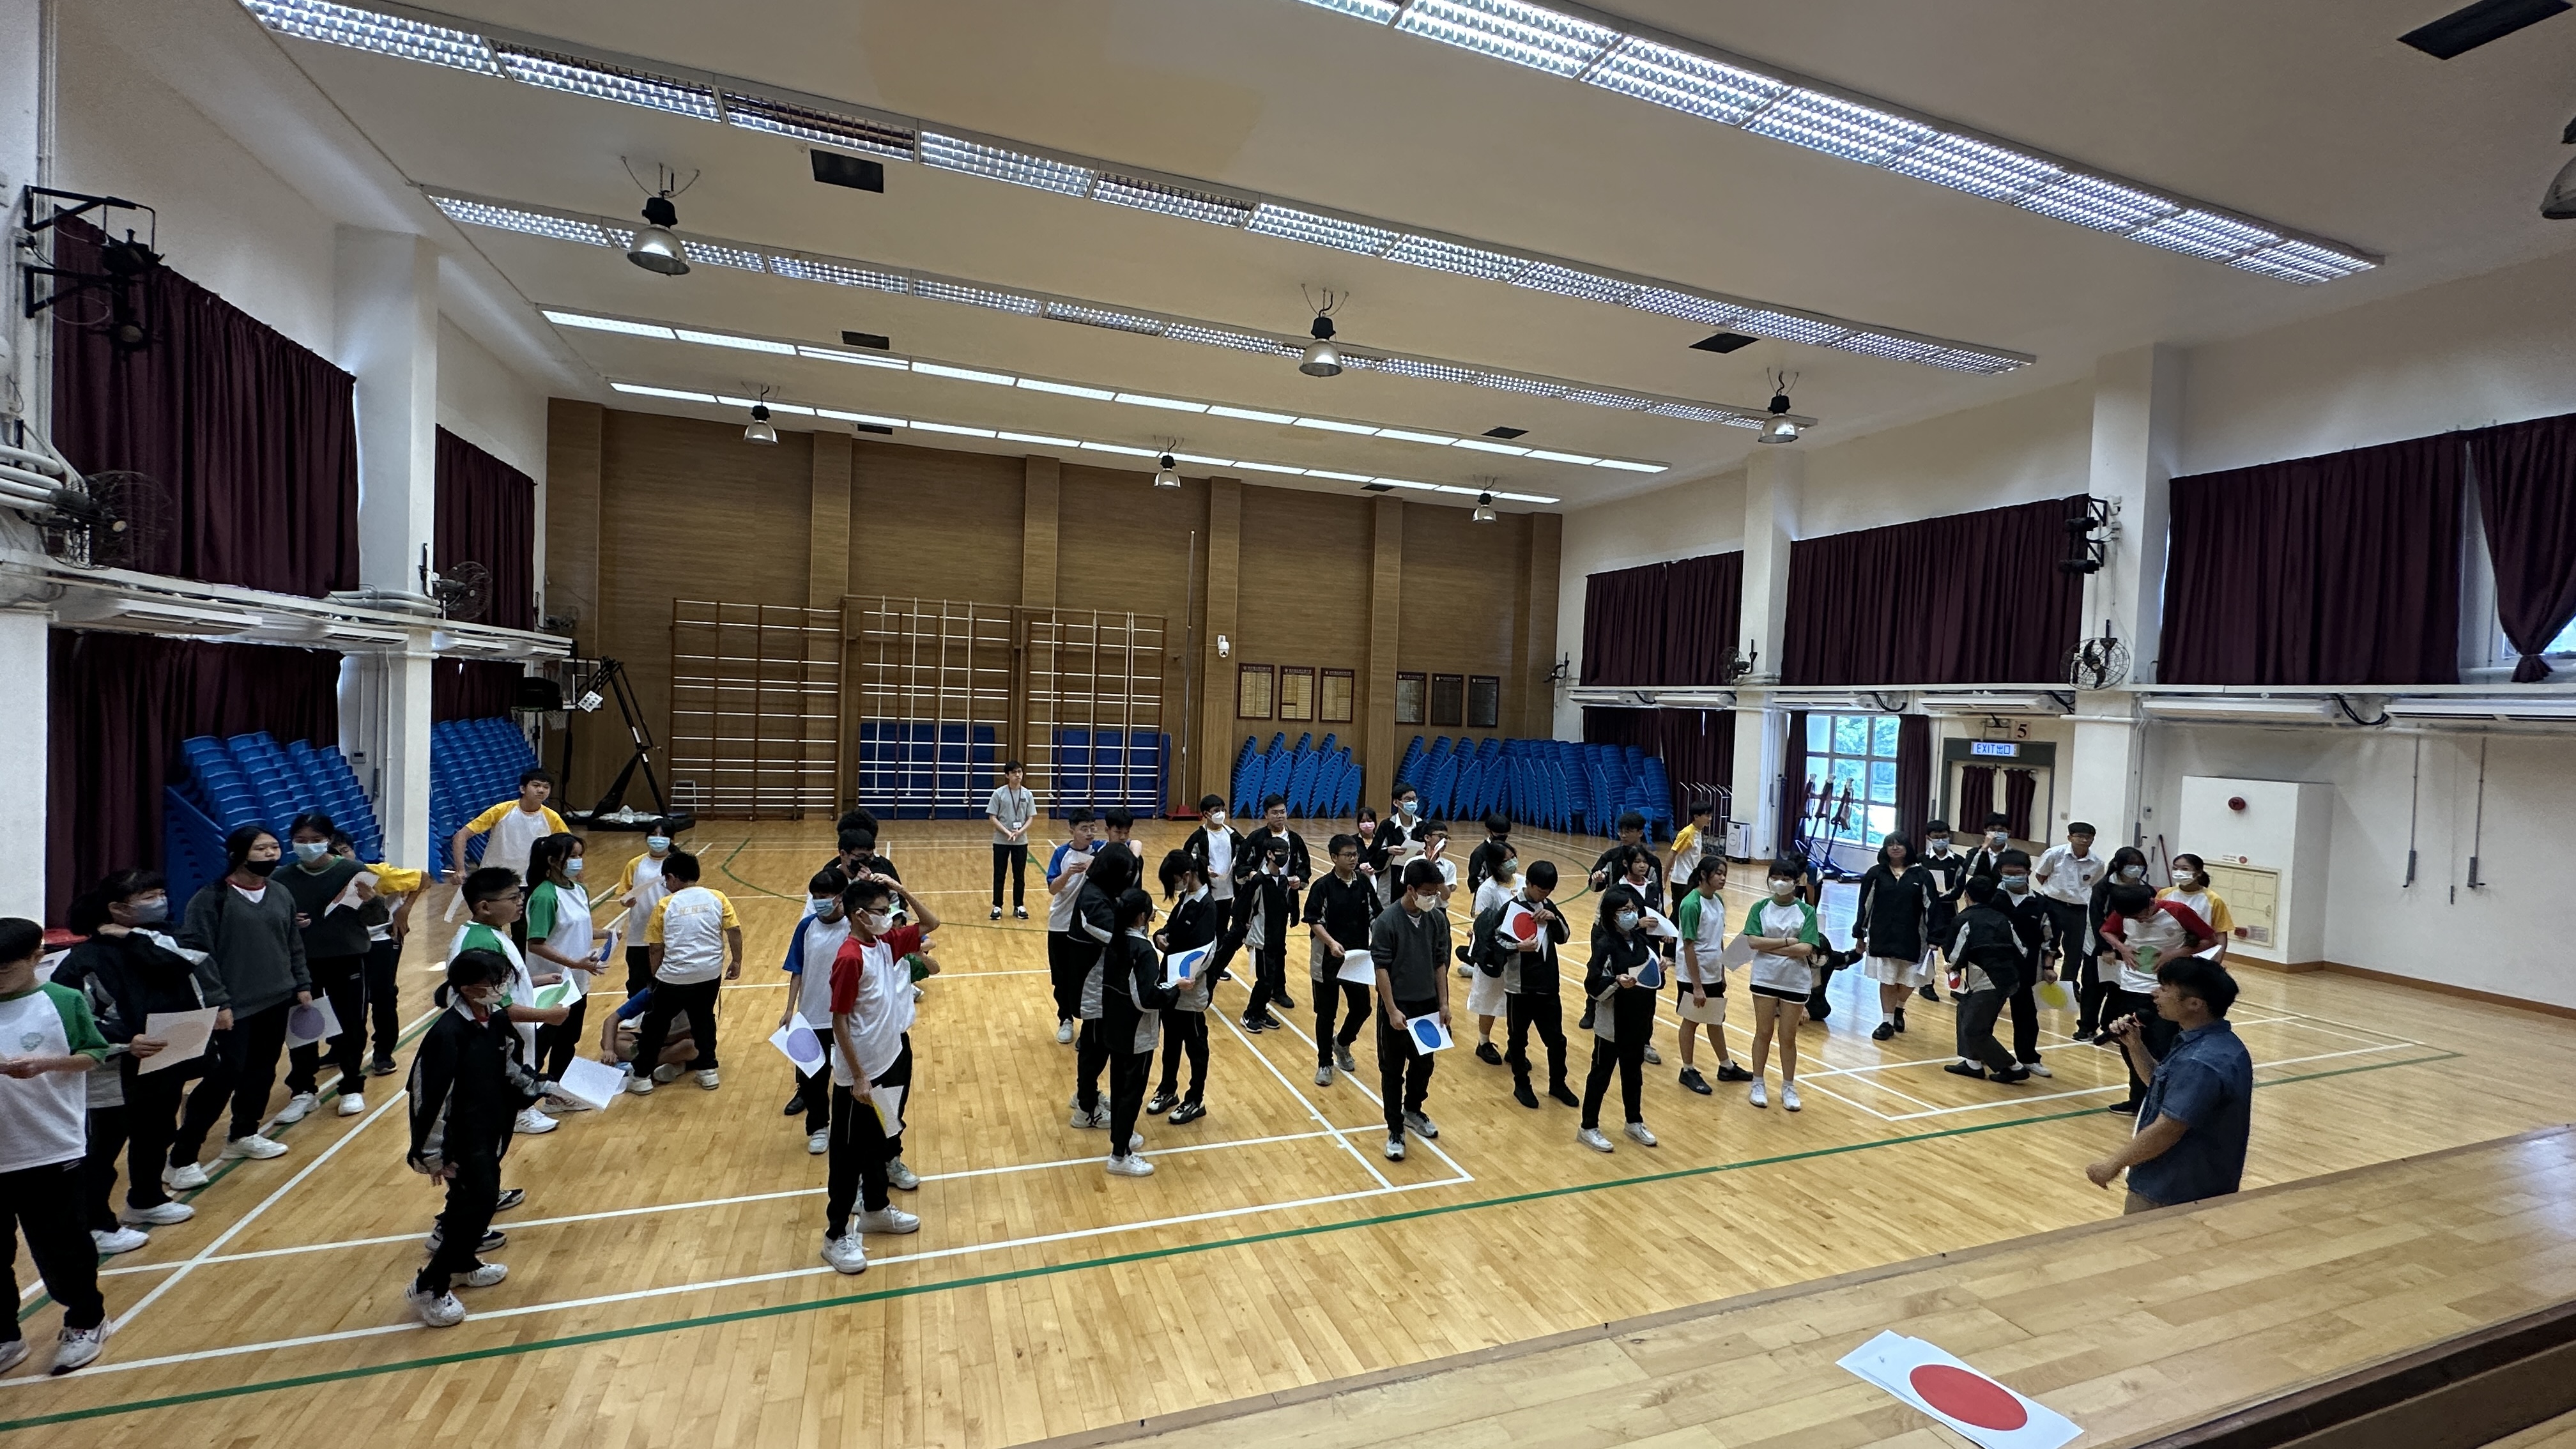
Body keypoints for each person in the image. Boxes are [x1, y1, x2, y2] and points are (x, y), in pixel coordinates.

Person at [55, 871, 223, 1246]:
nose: (160, 901)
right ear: (117, 908)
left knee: (156, 1132)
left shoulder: (161, 939)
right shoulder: (84, 960)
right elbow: (78, 1021)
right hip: (115, 1068)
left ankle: (146, 1199)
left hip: (165, 1057)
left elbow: (191, 959)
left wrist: (132, 937)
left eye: (161, 893)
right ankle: (95, 1224)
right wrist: (124, 1042)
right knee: (104, 1146)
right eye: (148, 896)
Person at [0, 917, 116, 1373]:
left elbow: (94, 1054)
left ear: (36, 958)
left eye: (5, 969)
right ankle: (5, 1336)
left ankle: (86, 1320)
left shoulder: (62, 1001)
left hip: (49, 1147)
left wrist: (46, 1064)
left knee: (62, 1249)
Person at [403, 947, 542, 1327]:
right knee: (475, 1209)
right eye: (494, 981)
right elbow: (428, 1099)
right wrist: (431, 1155)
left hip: (489, 1129)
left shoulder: (495, 1021)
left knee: (473, 1204)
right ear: (467, 988)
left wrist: (546, 1088)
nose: (502, 987)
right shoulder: (447, 1034)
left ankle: (464, 1264)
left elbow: (511, 1068)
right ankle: (429, 1287)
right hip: (459, 1141)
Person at [817, 874, 937, 1273]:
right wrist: (858, 1076)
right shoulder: (850, 958)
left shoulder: (885, 943)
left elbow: (931, 923)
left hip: (891, 1059)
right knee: (847, 1158)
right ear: (859, 916)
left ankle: (876, 1209)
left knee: (880, 1142)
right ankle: (835, 1235)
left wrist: (901, 891)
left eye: (889, 910)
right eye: (882, 911)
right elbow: (839, 1021)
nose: (889, 917)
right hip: (861, 1075)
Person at [176, 825, 312, 1170]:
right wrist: (219, 1002)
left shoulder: (280, 893)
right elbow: (200, 956)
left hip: (276, 999)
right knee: (224, 1076)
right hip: (233, 1007)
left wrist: (302, 983)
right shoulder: (210, 899)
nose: (270, 854)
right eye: (261, 849)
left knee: (262, 1071)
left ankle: (243, 1135)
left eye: (274, 848)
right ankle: (182, 1157)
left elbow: (292, 942)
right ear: (238, 855)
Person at [2084, 956, 2253, 1212]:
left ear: (2195, 1004)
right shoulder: (2216, 1044)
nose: (2155, 994)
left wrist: (2113, 1164)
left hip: (2171, 1189)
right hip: (2196, 1184)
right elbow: (2160, 1085)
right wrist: (2135, 1045)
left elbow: (2168, 1129)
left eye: (2164, 989)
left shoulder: (2200, 1061)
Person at [445, 866, 571, 1136]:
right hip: (499, 1034)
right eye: (513, 898)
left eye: (520, 896)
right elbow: (496, 1006)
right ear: (485, 907)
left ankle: (519, 1109)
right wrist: (547, 1016)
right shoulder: (480, 944)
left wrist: (535, 981)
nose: (520, 902)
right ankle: (516, 1114)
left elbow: (503, 984)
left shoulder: (492, 933)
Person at [273, 813, 371, 1121]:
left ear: (329, 840)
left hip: (346, 957)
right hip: (301, 961)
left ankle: (351, 1085)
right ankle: (303, 1090)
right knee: (302, 1024)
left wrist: (371, 901)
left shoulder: (354, 871)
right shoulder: (281, 877)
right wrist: (289, 921)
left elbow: (374, 918)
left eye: (316, 840)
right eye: (301, 840)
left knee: (351, 1023)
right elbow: (274, 920)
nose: (308, 846)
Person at [2097, 884, 2222, 1114]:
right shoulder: (2125, 912)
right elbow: (2106, 930)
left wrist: (2175, 954)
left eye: (2142, 915)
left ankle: (2165, 1101)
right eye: (2134, 918)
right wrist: (2122, 948)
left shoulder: (2178, 911)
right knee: (2131, 1044)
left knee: (2163, 1045)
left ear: (2151, 902)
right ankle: (2138, 1099)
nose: (2140, 920)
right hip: (2131, 987)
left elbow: (2210, 939)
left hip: (2166, 990)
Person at [625, 850, 742, 1096]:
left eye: (665, 880)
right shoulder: (718, 897)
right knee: (703, 1021)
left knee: (655, 1026)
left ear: (671, 877)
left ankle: (642, 1076)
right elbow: (734, 930)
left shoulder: (665, 905)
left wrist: (655, 977)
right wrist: (737, 961)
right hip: (709, 975)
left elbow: (656, 948)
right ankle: (708, 1071)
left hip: (673, 978)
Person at [1368, 859, 1452, 1162]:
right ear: (1411, 890)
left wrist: (1444, 1003)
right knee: (1392, 1071)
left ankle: (1413, 1110)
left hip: (1427, 1005)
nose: (1433, 898)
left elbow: (1440, 962)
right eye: (1428, 893)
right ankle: (1395, 1129)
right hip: (1398, 1005)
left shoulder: (1437, 920)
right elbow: (1381, 969)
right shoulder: (1387, 922)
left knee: (1424, 1065)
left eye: (1435, 893)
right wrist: (1391, 1010)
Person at [1576, 885, 1661, 1154]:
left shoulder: (1642, 942)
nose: (1631, 914)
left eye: (1633, 909)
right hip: (1611, 1024)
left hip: (1637, 1020)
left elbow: (1652, 979)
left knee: (1633, 1074)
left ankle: (1634, 1122)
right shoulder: (1605, 945)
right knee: (1601, 1075)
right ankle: (1588, 1127)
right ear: (1611, 915)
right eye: (1625, 910)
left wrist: (1657, 970)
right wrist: (1616, 981)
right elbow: (1593, 985)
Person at [1096, 888, 1174, 1179]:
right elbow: (1147, 998)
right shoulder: (1143, 950)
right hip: (1136, 1033)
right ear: (1142, 916)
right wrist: (1175, 988)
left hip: (1114, 1026)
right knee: (1131, 1093)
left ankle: (1122, 1135)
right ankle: (1120, 1156)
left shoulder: (1115, 940)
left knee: (1119, 1087)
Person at [332, 834, 422, 1080]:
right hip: (346, 945)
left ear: (354, 851)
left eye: (345, 850)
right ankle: (337, 1048)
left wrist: (404, 911)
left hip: (382, 940)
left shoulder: (377, 874)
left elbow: (423, 878)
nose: (342, 856)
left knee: (383, 996)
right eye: (335, 852)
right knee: (342, 999)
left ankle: (383, 1052)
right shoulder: (327, 879)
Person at [523, 834, 604, 1088]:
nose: (578, 861)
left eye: (580, 855)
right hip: (552, 984)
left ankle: (558, 1091)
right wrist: (574, 963)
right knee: (541, 1044)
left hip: (578, 982)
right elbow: (536, 943)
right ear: (552, 861)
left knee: (568, 1040)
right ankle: (523, 1097)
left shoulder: (580, 890)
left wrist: (608, 934)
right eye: (572, 856)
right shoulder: (545, 896)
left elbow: (576, 929)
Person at [1740, 861, 1823, 1111]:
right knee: (1763, 1032)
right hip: (1764, 978)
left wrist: (1771, 946)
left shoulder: (1806, 912)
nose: (1779, 882)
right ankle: (1758, 1083)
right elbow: (1753, 942)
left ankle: (1789, 1086)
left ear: (1796, 882)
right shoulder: (1760, 908)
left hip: (1794, 980)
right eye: (1775, 877)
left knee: (1788, 1036)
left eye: (1785, 878)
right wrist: (1788, 942)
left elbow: (1805, 948)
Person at [780, 870, 852, 1153]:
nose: (819, 902)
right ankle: (819, 1127)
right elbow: (797, 969)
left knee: (851, 1075)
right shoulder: (806, 927)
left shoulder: (853, 927)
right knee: (812, 1078)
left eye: (824, 897)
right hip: (811, 1015)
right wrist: (790, 1009)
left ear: (840, 896)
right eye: (815, 897)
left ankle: (850, 1126)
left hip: (848, 1017)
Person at [1069, 847, 1140, 1126]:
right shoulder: (1093, 900)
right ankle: (1086, 1110)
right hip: (1094, 987)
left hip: (1101, 984)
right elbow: (1115, 936)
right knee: (1095, 1049)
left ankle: (1085, 1094)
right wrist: (1138, 925)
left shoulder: (1101, 892)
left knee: (1095, 1045)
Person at [1498, 861, 1577, 1111]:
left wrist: (1553, 919)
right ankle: (1521, 1084)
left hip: (1548, 986)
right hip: (1519, 988)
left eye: (1549, 891)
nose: (1545, 895)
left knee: (1557, 1040)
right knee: (1518, 1040)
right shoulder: (1510, 908)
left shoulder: (1549, 906)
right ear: (1529, 884)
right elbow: (1494, 942)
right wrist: (1516, 947)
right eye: (1541, 890)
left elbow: (1564, 936)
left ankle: (1558, 1084)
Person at [1149, 850, 1221, 1122]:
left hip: (1191, 990)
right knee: (1171, 1042)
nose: (1174, 886)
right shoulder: (1185, 899)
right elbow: (1170, 929)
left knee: (1196, 1046)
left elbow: (1207, 950)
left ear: (1188, 875)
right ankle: (1168, 1089)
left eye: (1175, 880)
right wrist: (1160, 936)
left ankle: (1195, 1099)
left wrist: (1190, 978)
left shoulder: (1207, 906)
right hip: (1171, 985)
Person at [1302, 834, 1378, 1087]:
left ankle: (1342, 1043)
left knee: (1362, 1008)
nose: (1353, 859)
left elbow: (1375, 915)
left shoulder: (1363, 883)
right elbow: (1314, 921)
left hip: (1357, 959)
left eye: (1355, 854)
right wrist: (1332, 943)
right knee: (1326, 1014)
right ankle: (1325, 1062)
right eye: (1348, 855)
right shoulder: (1322, 887)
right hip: (1327, 959)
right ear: (1334, 857)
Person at [1672, 857, 1751, 1093]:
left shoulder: (1717, 901)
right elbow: (1688, 947)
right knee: (1691, 1020)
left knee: (1716, 1018)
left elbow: (1718, 940)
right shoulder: (1691, 904)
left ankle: (1726, 1067)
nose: (1723, 878)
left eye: (1724, 874)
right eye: (1718, 873)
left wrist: (1722, 972)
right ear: (1704, 875)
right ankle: (1687, 1069)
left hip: (1713, 972)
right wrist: (1697, 986)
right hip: (1693, 975)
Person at [1942, 876, 2032, 1084]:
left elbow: (1954, 954)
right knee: (1965, 1009)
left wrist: (1952, 966)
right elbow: (2022, 950)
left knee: (1974, 1029)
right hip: (2010, 978)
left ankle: (2012, 1067)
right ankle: (1972, 1063)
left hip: (1987, 980)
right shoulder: (2003, 919)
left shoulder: (1964, 920)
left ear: (1966, 895)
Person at [1853, 832, 1933, 1042]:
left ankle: (1899, 1007)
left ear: (1908, 847)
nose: (1895, 848)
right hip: (1883, 935)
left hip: (1914, 937)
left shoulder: (1922, 875)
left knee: (1909, 980)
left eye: (1899, 844)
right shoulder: (1876, 873)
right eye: (1890, 844)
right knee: (1887, 979)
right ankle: (1887, 1021)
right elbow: (1865, 904)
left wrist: (1936, 936)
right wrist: (1859, 932)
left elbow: (1931, 906)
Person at [1238, 795, 1310, 1012]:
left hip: (1283, 900)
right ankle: (1261, 987)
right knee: (1253, 944)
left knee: (1279, 947)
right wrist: (1252, 875)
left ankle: (1278, 988)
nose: (1280, 816)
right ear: (1266, 815)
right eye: (1275, 813)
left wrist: (1299, 880)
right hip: (1258, 901)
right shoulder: (1257, 838)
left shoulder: (1295, 840)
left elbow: (1304, 867)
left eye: (1282, 812)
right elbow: (1241, 865)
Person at [2032, 822, 2106, 1034]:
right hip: (2053, 904)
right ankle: (2042, 984)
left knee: (2075, 951)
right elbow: (2041, 876)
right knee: (2048, 945)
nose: (2084, 840)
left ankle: (2068, 987)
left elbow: (2094, 885)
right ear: (2070, 837)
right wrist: (2055, 893)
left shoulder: (2097, 863)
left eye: (2088, 837)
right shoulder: (2055, 854)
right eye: (2079, 836)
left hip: (2080, 909)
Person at [1993, 850, 2058, 1079]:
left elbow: (2050, 939)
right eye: (2008, 874)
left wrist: (2049, 967)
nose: (2013, 878)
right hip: (1993, 967)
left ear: (2029, 872)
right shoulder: (1992, 899)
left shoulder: (2041, 904)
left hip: (2028, 968)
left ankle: (2029, 1058)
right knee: (1985, 1013)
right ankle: (1977, 1054)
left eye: (2018, 873)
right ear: (2000, 873)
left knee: (2027, 1016)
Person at [448, 768, 569, 889]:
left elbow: (570, 845)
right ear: (523, 789)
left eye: (546, 787)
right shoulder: (501, 810)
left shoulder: (552, 817)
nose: (541, 790)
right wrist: (460, 869)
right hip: (494, 879)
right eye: (536, 786)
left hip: (533, 881)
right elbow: (461, 835)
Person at [1043, 810, 1101, 1045]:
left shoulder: (1100, 849)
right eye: (1084, 828)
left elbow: (1132, 844)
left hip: (1088, 928)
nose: (1089, 833)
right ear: (1072, 830)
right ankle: (1065, 1019)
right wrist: (1069, 872)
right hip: (1061, 924)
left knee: (1087, 978)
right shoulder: (1061, 854)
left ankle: (1088, 1025)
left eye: (1092, 827)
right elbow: (1053, 889)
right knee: (1061, 977)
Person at [610, 822, 681, 998]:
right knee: (638, 979)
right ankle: (637, 1010)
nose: (658, 839)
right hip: (640, 932)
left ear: (671, 839)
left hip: (671, 931)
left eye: (662, 835)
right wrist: (626, 901)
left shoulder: (678, 864)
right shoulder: (636, 864)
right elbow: (624, 893)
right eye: (654, 835)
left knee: (668, 979)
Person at [1233, 838, 1295, 1033]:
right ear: (1269, 854)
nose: (1284, 856)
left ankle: (1260, 1011)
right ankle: (1250, 1014)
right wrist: (1246, 934)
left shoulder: (1283, 881)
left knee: (1273, 977)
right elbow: (1244, 908)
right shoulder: (1258, 881)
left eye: (1286, 852)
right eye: (1280, 852)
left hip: (1278, 938)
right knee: (1265, 979)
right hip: (1262, 938)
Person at [1915, 819, 1966, 1004]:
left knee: (1952, 949)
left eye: (1944, 837)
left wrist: (1940, 898)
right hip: (1925, 911)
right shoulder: (1920, 860)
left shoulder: (1958, 861)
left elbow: (1958, 888)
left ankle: (1956, 985)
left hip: (1948, 910)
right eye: (1936, 837)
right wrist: (1929, 899)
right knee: (1928, 948)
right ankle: (1926, 984)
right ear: (1929, 838)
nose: (1941, 840)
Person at [2159, 854, 2238, 966]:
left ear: (2199, 873)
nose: (2179, 872)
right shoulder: (2164, 894)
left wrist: (2218, 959)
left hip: (2200, 953)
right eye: (2175, 868)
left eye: (2185, 869)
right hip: (2169, 951)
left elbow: (2220, 933)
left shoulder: (2214, 900)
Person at [987, 761, 1035, 920]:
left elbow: (1030, 817)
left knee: (1019, 875)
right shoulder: (999, 794)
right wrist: (1007, 832)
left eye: (1020, 772)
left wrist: (1020, 832)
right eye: (1014, 772)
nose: (1018, 775)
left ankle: (1019, 905)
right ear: (1007, 775)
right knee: (999, 874)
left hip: (1020, 841)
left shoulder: (1027, 794)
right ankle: (997, 906)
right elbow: (993, 817)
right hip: (1001, 840)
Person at [1667, 801, 1712, 919]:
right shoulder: (1687, 833)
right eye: (1707, 816)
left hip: (1691, 879)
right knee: (1679, 913)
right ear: (1696, 817)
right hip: (1682, 881)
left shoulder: (1698, 832)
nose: (1710, 819)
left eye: (1710, 815)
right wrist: (1664, 878)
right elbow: (1672, 853)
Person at [1465, 813, 1515, 896]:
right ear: (1488, 831)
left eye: (1505, 835)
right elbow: (1474, 880)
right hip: (1486, 896)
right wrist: (1488, 892)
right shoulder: (1479, 853)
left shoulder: (1508, 850)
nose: (1502, 837)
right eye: (1498, 834)